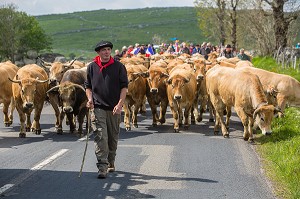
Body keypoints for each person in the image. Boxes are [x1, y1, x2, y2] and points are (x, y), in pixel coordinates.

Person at [85, 40, 128, 179]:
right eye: (103, 50)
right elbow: (88, 86)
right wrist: (90, 99)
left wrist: (120, 104)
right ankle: (102, 167)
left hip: (114, 108)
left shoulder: (119, 67)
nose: (106, 52)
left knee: (112, 138)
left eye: (108, 49)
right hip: (98, 107)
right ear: (98, 52)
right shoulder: (91, 67)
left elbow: (124, 87)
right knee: (100, 136)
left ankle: (111, 161)